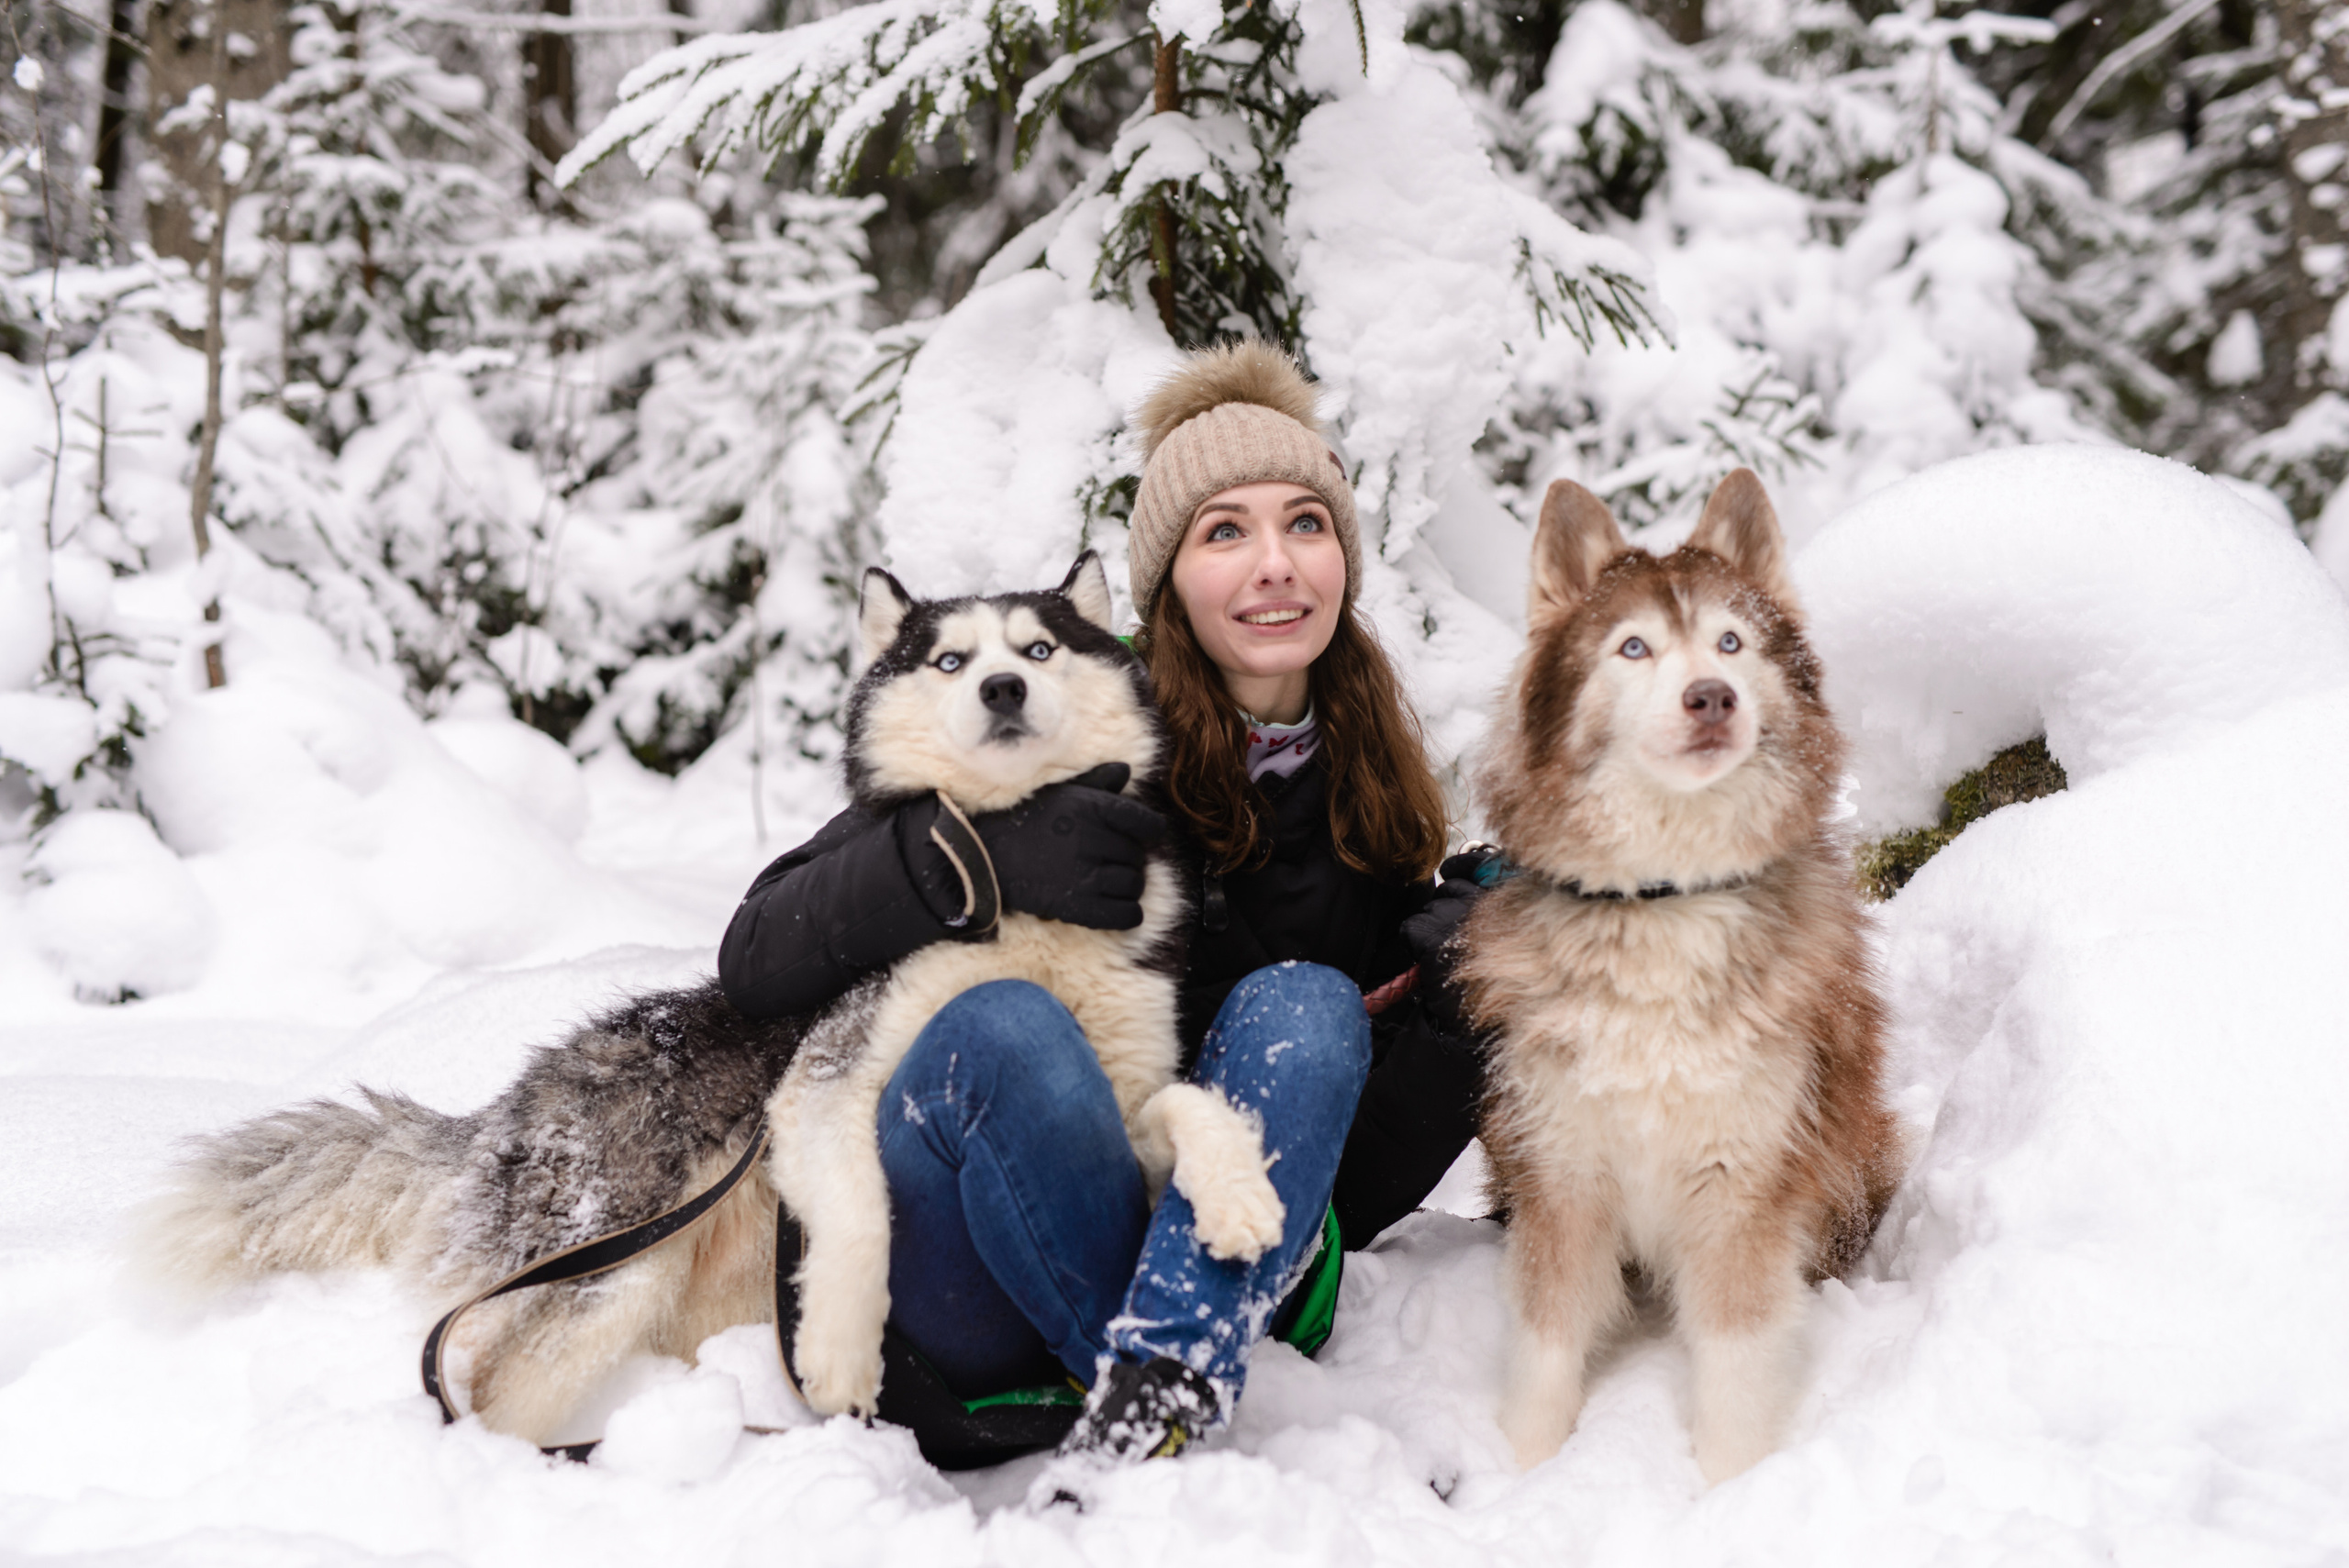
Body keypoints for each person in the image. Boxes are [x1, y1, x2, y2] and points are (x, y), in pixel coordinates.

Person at [718, 341, 1486, 1472]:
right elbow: (755, 953)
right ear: (1166, 575)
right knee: (1004, 1024)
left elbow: (1337, 1172)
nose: (1274, 563)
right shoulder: (1050, 712)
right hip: (979, 1271)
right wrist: (967, 856)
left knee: (1307, 1005)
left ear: (1344, 559)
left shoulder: (1369, 795)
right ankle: (1164, 1388)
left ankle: (1154, 1395)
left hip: (1207, 1250)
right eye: (1225, 531)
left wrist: (1463, 1005)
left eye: (1305, 523)